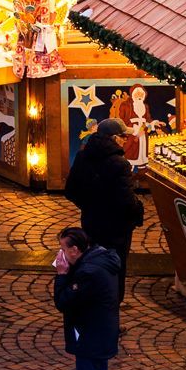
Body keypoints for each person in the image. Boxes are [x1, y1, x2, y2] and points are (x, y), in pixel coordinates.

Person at [51, 225, 122, 370]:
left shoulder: (87, 273)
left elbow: (64, 301)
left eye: (62, 249)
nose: (60, 254)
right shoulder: (104, 261)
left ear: (74, 250)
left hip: (90, 336)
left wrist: (62, 275)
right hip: (104, 333)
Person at [63, 117, 144, 277]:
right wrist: (137, 212)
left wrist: (88, 206)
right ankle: (111, 299)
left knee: (94, 264)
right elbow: (127, 201)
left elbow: (71, 190)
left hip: (91, 223)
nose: (126, 140)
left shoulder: (82, 156)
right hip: (116, 229)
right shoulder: (120, 164)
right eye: (124, 137)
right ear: (114, 138)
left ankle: (96, 296)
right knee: (115, 269)